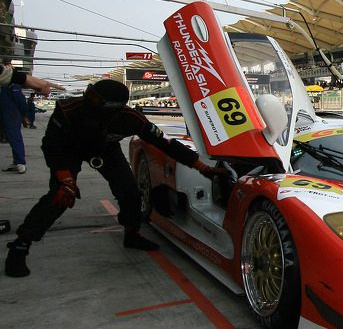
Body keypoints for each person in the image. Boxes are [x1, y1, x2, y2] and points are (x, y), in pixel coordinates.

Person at [5, 79, 228, 278]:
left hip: (105, 150)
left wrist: (200, 166)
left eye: (94, 98)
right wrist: (64, 176)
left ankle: (132, 233)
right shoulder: (67, 109)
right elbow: (51, 144)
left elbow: (166, 143)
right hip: (67, 150)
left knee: (130, 192)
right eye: (89, 93)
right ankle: (20, 245)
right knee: (61, 195)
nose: (88, 99)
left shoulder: (131, 119)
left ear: (112, 108)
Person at [0, 83, 29, 173]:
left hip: (11, 115)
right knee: (9, 137)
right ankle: (17, 162)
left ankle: (20, 163)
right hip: (3, 115)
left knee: (15, 137)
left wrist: (24, 115)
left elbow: (20, 101)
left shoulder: (12, 85)